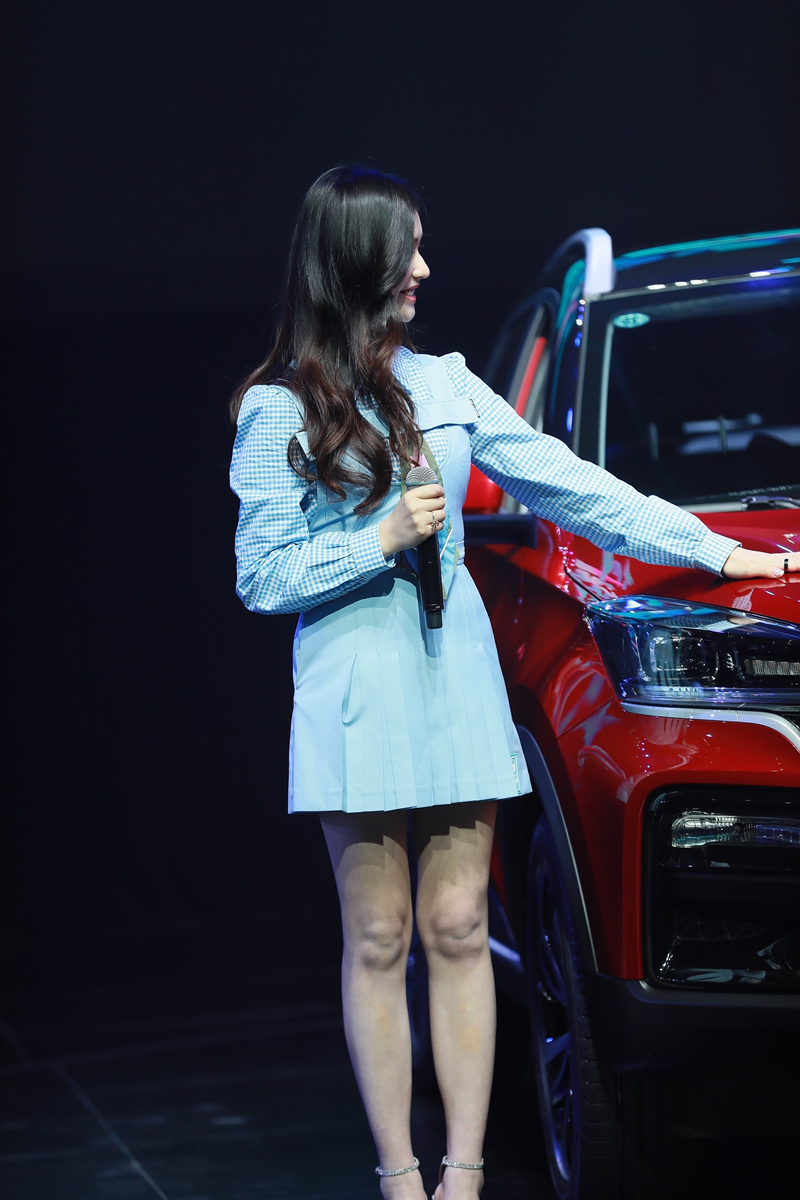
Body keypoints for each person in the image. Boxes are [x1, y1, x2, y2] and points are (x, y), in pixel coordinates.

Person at [229, 165, 798, 1199]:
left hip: (454, 673)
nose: (423, 267)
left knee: (457, 927)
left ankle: (465, 1175)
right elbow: (261, 577)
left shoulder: (447, 384)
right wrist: (377, 538)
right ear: (355, 258)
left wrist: (715, 551)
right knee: (379, 937)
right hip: (354, 684)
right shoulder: (277, 410)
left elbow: (572, 486)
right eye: (406, 248)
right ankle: (399, 1177)